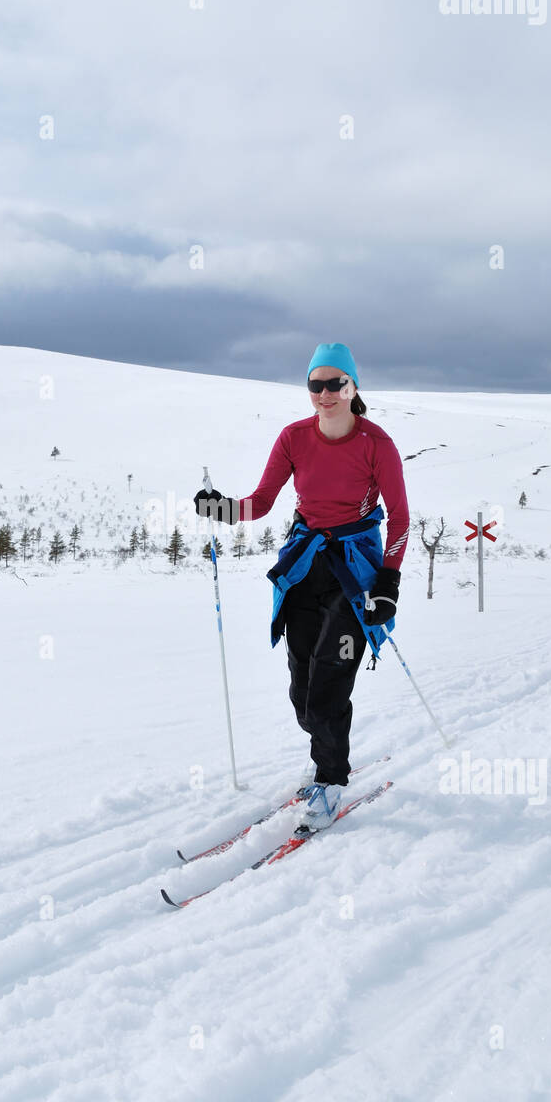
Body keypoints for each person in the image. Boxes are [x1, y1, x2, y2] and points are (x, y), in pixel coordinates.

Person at [194, 342, 409, 831]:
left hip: (355, 574)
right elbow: (261, 502)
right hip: (304, 566)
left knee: (329, 684)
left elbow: (399, 519)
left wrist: (389, 583)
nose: (326, 393)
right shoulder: (294, 438)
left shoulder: (377, 444)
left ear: (354, 387)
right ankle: (325, 761)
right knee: (302, 690)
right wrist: (220, 508)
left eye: (336, 383)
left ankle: (331, 782)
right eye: (317, 384)